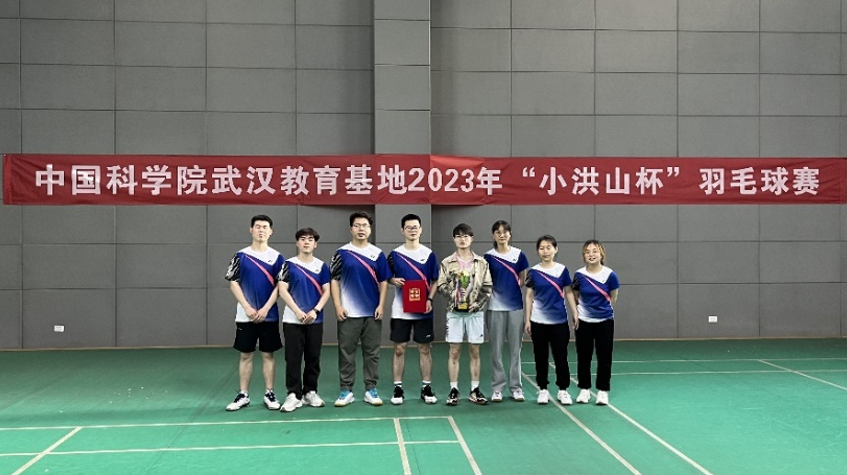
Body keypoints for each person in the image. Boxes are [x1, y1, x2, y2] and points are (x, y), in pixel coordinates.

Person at [224, 214, 286, 411]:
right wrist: (247, 307)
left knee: (268, 354)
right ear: (251, 230)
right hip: (246, 316)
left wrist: (266, 308)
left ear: (271, 231)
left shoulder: (277, 257)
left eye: (265, 227)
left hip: (269, 315)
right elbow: (233, 282)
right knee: (246, 355)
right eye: (257, 226)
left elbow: (280, 286)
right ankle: (243, 394)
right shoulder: (240, 256)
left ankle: (269, 393)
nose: (261, 230)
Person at [330, 211, 391, 407]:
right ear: (351, 229)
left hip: (372, 313)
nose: (361, 229)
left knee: (372, 353)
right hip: (348, 313)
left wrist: (381, 305)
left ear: (370, 229)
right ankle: (346, 390)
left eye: (364, 225)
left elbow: (383, 281)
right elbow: (334, 280)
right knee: (346, 352)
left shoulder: (377, 254)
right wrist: (337, 305)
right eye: (357, 225)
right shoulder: (341, 253)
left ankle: (370, 389)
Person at [437, 223, 493, 406]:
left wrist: (477, 304)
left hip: (475, 313)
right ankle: (453, 390)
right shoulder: (447, 262)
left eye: (466, 236)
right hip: (454, 312)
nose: (462, 239)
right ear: (454, 239)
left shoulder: (482, 263)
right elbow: (441, 285)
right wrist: (453, 296)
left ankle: (475, 390)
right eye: (459, 236)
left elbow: (487, 287)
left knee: (475, 351)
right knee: (454, 351)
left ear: (472, 238)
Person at [276, 228, 331, 413]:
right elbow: (282, 290)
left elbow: (327, 292)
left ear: (315, 244)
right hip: (292, 320)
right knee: (293, 358)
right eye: (302, 239)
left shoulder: (322, 266)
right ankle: (293, 394)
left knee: (313, 357)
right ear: (297, 243)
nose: (306, 242)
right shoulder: (288, 265)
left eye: (310, 239)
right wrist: (297, 311)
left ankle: (310, 392)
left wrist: (315, 310)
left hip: (315, 320)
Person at [387, 214, 439, 405]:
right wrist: (393, 280)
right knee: (399, 349)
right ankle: (398, 388)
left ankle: (426, 387)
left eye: (415, 227)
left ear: (421, 229)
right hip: (400, 310)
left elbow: (435, 280)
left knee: (424, 348)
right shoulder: (394, 255)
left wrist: (430, 299)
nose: (412, 230)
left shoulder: (429, 254)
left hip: (423, 309)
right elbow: (385, 276)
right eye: (408, 227)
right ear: (402, 230)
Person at [524, 235, 578, 405]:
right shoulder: (533, 272)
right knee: (540, 357)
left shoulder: (562, 270)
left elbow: (568, 292)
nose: (545, 251)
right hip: (538, 321)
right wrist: (527, 320)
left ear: (556, 249)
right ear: (538, 251)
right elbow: (529, 296)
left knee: (561, 356)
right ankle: (543, 389)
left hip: (559, 321)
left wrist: (575, 313)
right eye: (542, 248)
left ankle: (563, 390)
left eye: (549, 247)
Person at [484, 220, 530, 402]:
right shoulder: (488, 257)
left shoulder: (519, 255)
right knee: (496, 350)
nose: (501, 235)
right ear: (493, 235)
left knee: (515, 350)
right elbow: (485, 280)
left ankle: (516, 388)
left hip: (515, 308)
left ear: (510, 234)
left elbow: (522, 279)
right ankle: (497, 388)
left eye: (505, 232)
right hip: (494, 308)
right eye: (498, 232)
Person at [572, 239, 620, 406]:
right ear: (583, 256)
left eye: (594, 251)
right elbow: (576, 296)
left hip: (604, 322)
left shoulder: (610, 275)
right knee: (583, 357)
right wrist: (582, 313)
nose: (591, 254)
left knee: (604, 357)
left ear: (601, 254)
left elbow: (613, 297)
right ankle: (584, 389)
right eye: (587, 252)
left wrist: (601, 311)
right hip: (584, 322)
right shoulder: (579, 275)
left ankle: (602, 391)